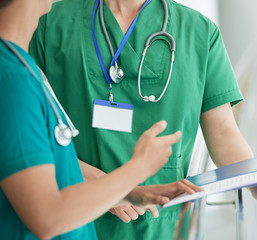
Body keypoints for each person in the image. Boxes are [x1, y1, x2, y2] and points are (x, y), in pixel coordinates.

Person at [29, 0, 257, 239]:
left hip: (166, 228)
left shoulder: (199, 33)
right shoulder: (50, 22)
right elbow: (29, 132)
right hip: (77, 219)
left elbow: (223, 132)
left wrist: (253, 176)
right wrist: (105, 188)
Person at [0, 0, 203, 239]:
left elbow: (51, 173)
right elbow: (47, 216)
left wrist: (129, 192)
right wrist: (139, 168)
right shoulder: (11, 82)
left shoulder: (21, 68)